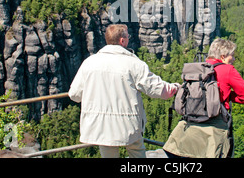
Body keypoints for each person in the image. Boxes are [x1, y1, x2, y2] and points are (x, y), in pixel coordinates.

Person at [68, 24, 180, 158]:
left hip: (101, 126)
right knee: (137, 154)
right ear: (122, 40)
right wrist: (175, 88)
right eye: (128, 36)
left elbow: (74, 94)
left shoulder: (89, 62)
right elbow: (157, 89)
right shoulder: (134, 64)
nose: (129, 38)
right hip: (128, 125)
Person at [163, 38, 244, 158]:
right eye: (232, 55)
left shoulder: (197, 68)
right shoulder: (227, 70)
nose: (234, 59)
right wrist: (226, 95)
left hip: (191, 124)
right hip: (214, 126)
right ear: (223, 56)